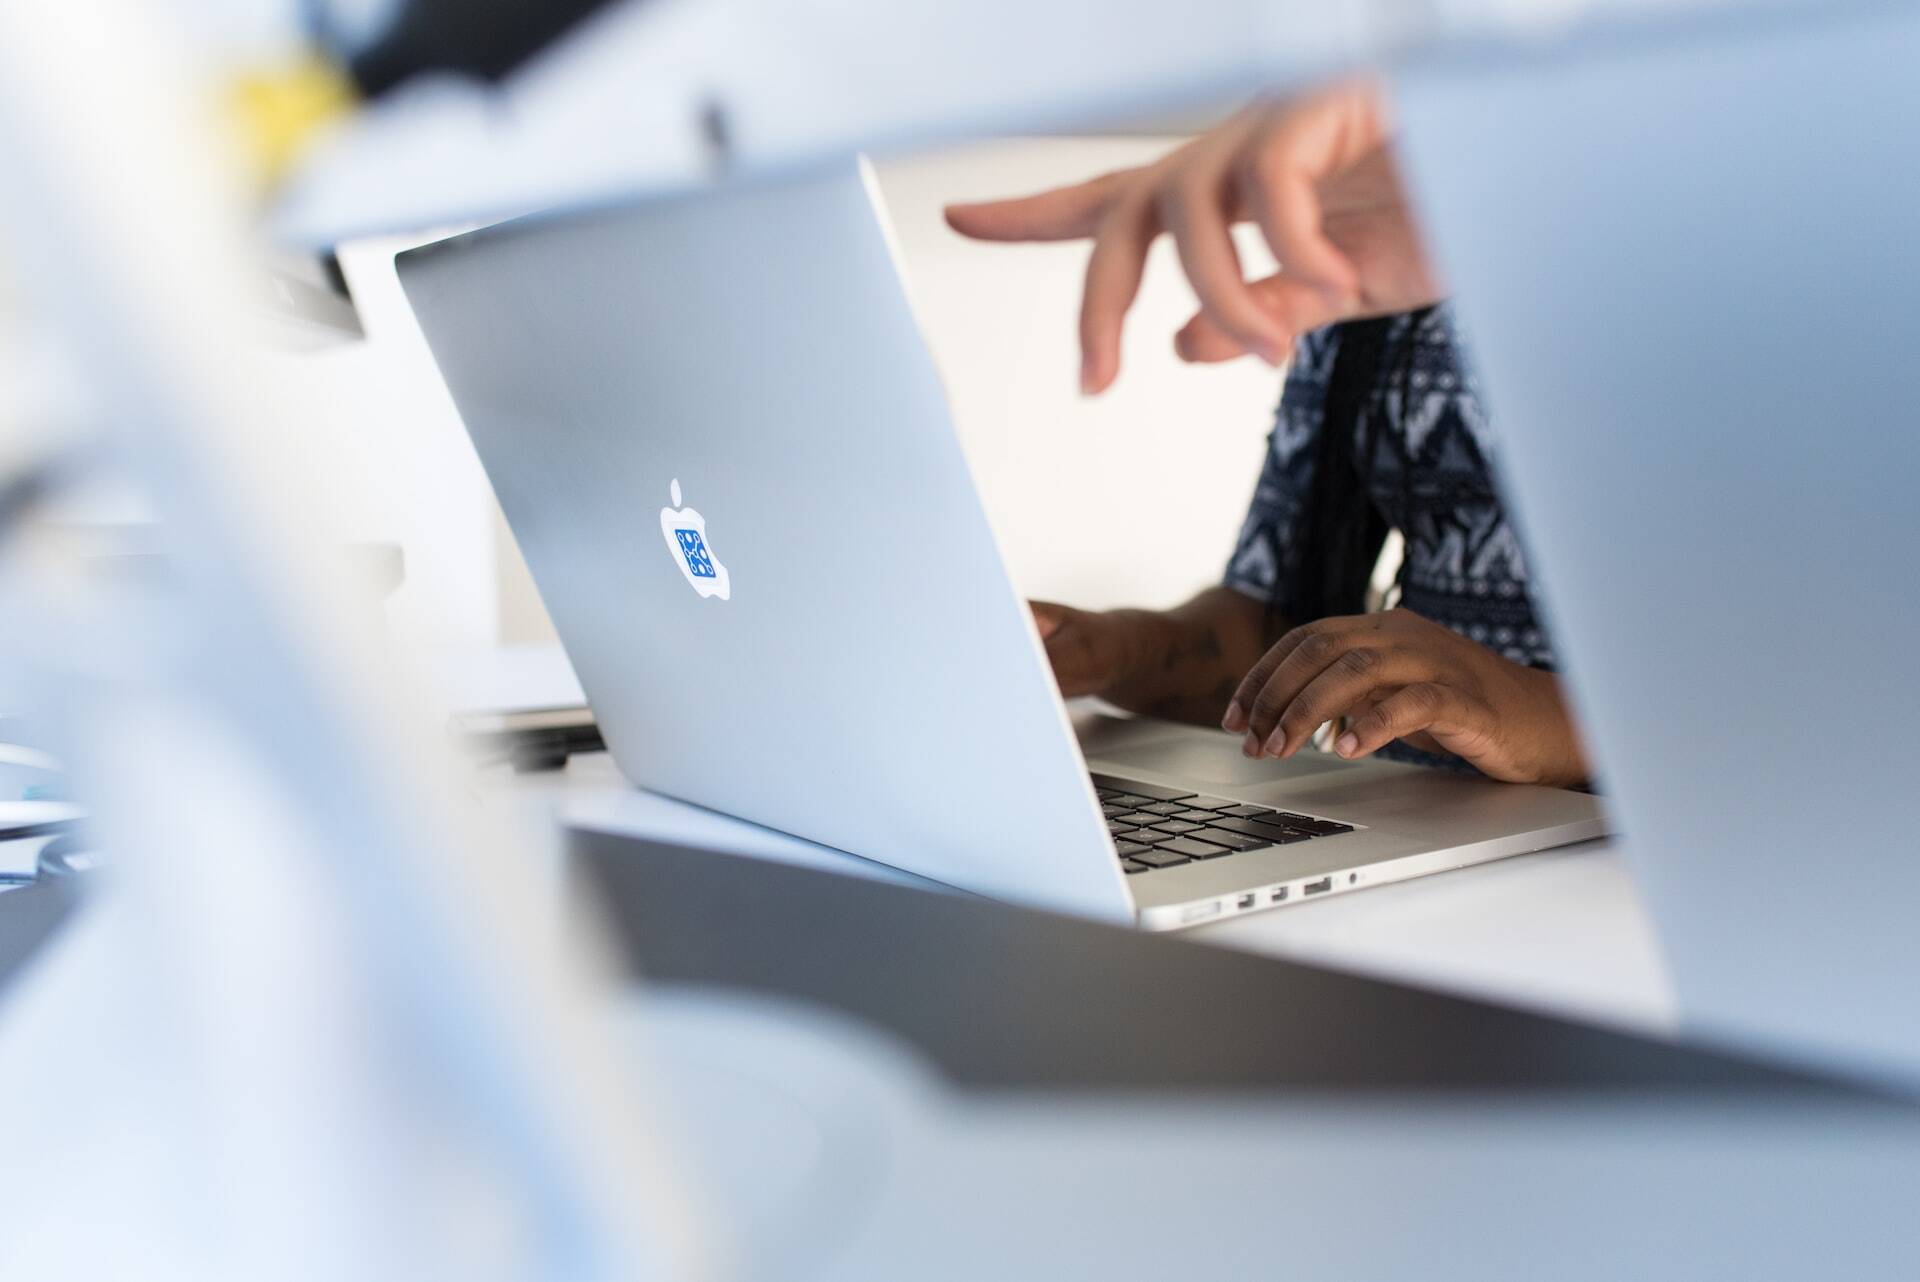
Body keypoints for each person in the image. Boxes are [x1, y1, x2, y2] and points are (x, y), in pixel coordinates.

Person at [945, 81, 1591, 789]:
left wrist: (1528, 710)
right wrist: (1111, 653)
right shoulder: (1389, 261)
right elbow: (1280, 633)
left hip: (1644, 860)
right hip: (1414, 827)